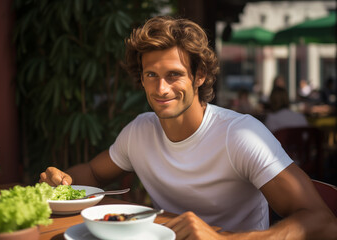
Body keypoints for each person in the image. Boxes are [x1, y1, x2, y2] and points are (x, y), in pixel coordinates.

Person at [40, 16, 337, 239]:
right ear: (141, 79)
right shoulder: (139, 131)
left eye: (174, 75)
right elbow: (92, 173)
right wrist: (64, 182)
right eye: (151, 74)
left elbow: (323, 222)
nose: (161, 88)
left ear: (199, 76)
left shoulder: (240, 135)